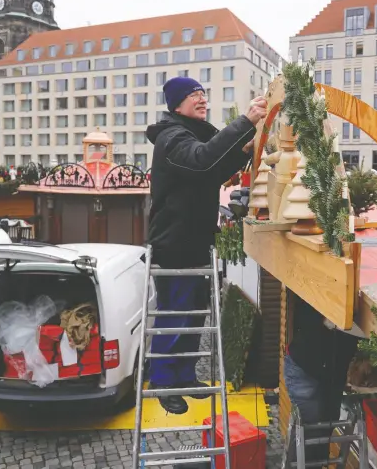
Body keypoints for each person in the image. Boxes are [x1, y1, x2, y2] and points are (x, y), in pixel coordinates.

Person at [145, 76, 267, 414]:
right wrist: (246, 122)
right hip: (174, 244)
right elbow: (202, 160)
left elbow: (213, 168)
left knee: (195, 314)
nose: (202, 99)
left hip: (195, 240)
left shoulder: (193, 135)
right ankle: (162, 380)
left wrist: (243, 146)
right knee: (175, 313)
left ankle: (184, 375)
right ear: (177, 104)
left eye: (203, 93)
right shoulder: (172, 139)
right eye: (193, 95)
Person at [283, 297, 361, 463]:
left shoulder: (363, 311)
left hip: (331, 374)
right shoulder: (320, 297)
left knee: (326, 424)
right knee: (310, 430)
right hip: (304, 369)